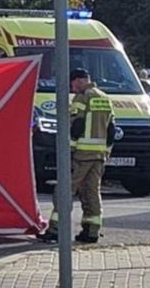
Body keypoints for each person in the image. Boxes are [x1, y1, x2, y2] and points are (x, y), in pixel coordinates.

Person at [39, 68, 115, 244]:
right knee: (91, 192)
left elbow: (77, 126)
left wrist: (69, 150)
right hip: (99, 155)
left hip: (81, 154)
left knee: (64, 190)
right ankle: (91, 231)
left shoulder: (83, 97)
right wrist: (105, 151)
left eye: (72, 84)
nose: (72, 88)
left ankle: (56, 230)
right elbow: (111, 130)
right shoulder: (105, 98)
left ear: (79, 81)